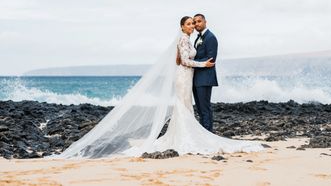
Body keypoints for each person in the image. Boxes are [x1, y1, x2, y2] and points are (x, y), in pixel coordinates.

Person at [55, 15, 263, 159]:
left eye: (194, 23)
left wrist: (197, 62)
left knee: (186, 107)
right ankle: (191, 137)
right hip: (184, 76)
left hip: (189, 77)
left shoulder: (191, 39)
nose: (192, 26)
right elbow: (184, 61)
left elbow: (179, 58)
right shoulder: (184, 39)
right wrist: (202, 64)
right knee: (183, 107)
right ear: (182, 27)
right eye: (189, 24)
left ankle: (194, 135)